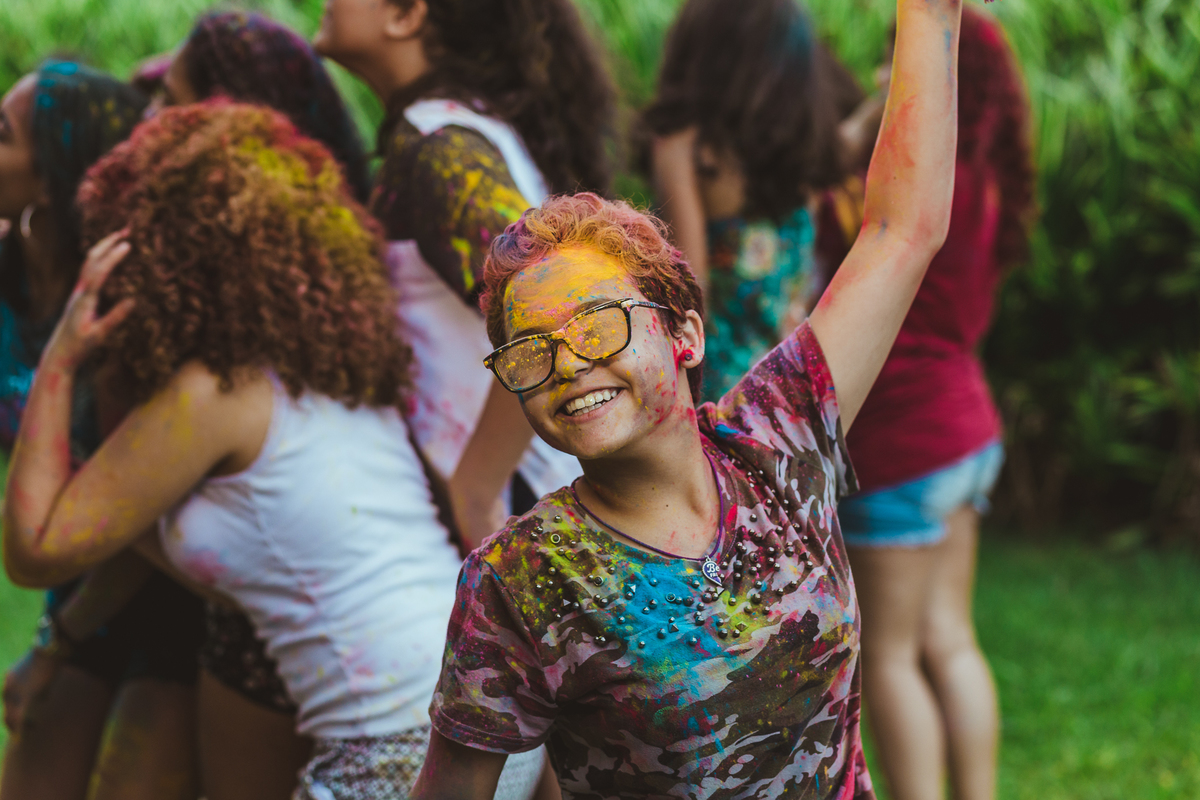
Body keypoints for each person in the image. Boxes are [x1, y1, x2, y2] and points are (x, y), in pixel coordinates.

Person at [408, 0, 964, 794]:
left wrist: (929, 13)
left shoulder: (779, 432)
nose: (566, 361)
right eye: (531, 350)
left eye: (598, 326)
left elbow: (902, 230)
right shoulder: (521, 580)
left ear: (685, 337)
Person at [1, 99, 486, 800]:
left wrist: (62, 355)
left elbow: (32, 547)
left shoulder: (214, 395)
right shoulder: (334, 371)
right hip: (472, 711)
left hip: (397, 743)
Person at [313, 0, 616, 546]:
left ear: (405, 15)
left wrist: (475, 489)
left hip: (519, 501)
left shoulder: (441, 152)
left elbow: (554, 304)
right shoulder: (458, 133)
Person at [837, 8, 1035, 800]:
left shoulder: (893, 173)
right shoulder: (989, 184)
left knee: (889, 653)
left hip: (904, 441)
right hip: (968, 433)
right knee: (951, 639)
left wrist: (871, 112)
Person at [0, 61, 206, 800]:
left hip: (173, 604)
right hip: (81, 588)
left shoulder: (128, 301)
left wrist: (55, 646)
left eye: (3, 135)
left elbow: (136, 514)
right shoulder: (16, 272)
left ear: (57, 169)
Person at [643, 0, 861, 400]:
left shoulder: (687, 150)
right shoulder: (806, 146)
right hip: (797, 383)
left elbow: (693, 293)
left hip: (724, 392)